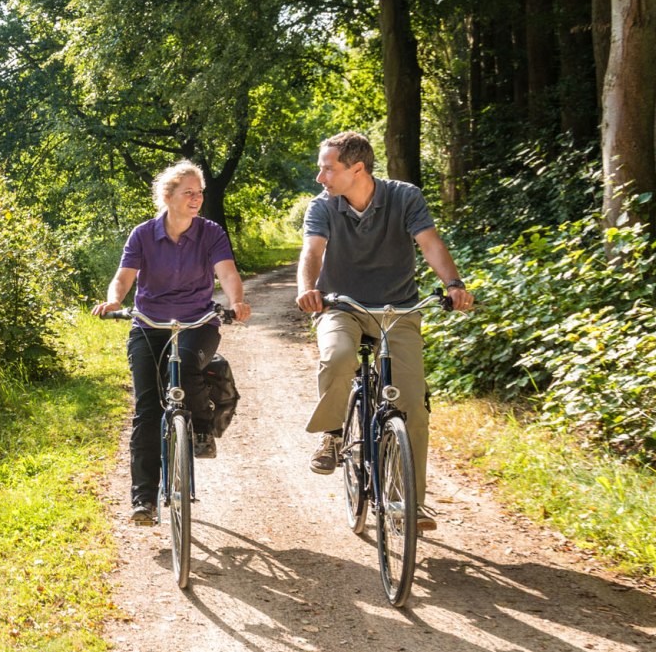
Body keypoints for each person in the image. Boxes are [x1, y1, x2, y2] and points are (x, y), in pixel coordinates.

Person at [294, 131, 474, 533]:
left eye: (328, 168)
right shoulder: (323, 206)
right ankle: (334, 433)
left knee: (411, 403)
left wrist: (453, 285)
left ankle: (411, 502)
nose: (320, 177)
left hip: (398, 310)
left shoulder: (404, 197)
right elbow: (313, 251)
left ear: (357, 169)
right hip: (341, 306)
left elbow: (429, 243)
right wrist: (308, 289)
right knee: (339, 358)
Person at [92, 160, 251, 527]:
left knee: (185, 364)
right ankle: (144, 500)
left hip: (198, 321)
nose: (197, 199)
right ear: (168, 197)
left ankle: (199, 427)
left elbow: (227, 272)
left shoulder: (210, 233)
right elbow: (124, 276)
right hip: (149, 324)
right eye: (189, 193)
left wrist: (237, 301)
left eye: (200, 193)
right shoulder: (143, 234)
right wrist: (115, 299)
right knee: (147, 407)